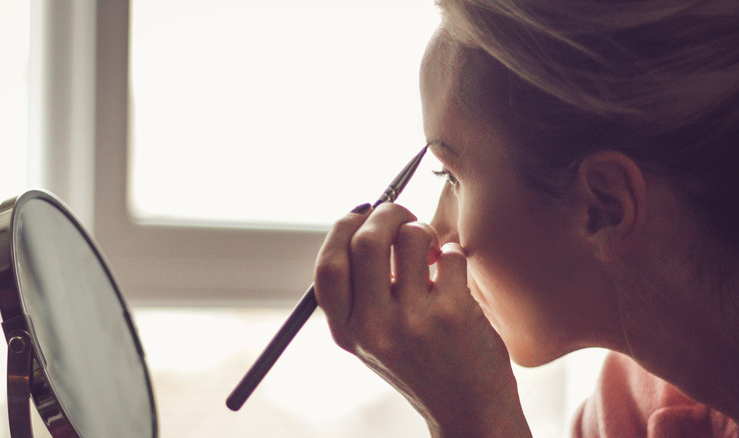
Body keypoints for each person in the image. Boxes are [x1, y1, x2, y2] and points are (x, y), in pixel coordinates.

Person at [312, 0, 739, 437]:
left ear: (603, 207)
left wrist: (471, 419)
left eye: (452, 177)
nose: (437, 234)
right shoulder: (629, 412)